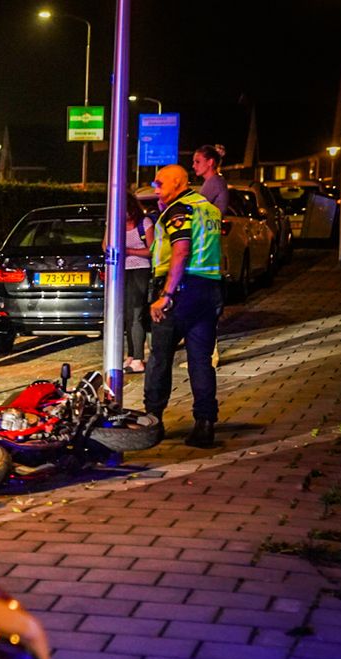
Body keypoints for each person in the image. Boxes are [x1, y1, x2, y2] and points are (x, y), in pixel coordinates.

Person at [144, 165, 222, 449]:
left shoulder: (179, 210)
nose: (155, 189)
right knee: (200, 360)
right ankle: (205, 424)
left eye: (160, 183)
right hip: (209, 289)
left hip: (180, 289)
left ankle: (152, 420)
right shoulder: (208, 209)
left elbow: (181, 250)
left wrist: (166, 294)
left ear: (177, 184)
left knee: (160, 358)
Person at [106, 192, 155, 373]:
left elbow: (151, 251)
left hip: (140, 270)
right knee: (126, 315)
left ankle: (139, 359)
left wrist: (129, 250)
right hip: (120, 271)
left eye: (125, 210)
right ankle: (131, 355)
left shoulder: (145, 224)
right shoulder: (114, 224)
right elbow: (106, 246)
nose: (123, 215)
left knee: (136, 314)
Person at [192, 144, 230, 216]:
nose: (193, 166)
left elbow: (196, 207)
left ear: (210, 162)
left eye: (197, 162)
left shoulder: (214, 182)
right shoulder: (217, 180)